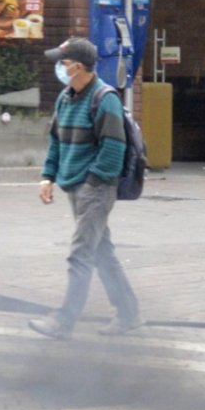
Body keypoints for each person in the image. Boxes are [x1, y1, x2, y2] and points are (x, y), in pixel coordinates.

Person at [28, 37, 140, 340]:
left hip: (96, 189)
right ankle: (129, 313)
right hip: (75, 185)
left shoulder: (105, 99)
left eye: (62, 63)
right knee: (102, 252)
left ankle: (64, 321)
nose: (58, 67)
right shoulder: (65, 98)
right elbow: (56, 141)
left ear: (77, 67)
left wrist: (92, 183)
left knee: (81, 254)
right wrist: (47, 176)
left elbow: (113, 149)